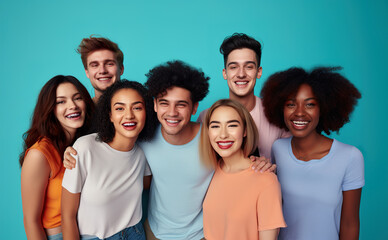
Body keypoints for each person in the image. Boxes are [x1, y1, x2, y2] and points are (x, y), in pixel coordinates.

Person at [63, 60, 270, 240]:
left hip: (201, 234)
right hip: (153, 234)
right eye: (164, 103)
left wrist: (258, 162)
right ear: (154, 105)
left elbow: (235, 160)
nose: (172, 113)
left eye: (181, 104)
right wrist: (69, 150)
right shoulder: (144, 138)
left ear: (195, 108)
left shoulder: (210, 137)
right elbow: (111, 148)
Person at [261, 66, 364, 240]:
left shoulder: (350, 157)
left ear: (323, 108)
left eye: (310, 104)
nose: (299, 112)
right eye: (291, 104)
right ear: (281, 108)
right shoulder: (277, 149)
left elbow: (350, 223)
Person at [61, 80, 157, 240]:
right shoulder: (85, 147)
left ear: (147, 112)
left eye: (137, 107)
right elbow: (67, 215)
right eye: (120, 108)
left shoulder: (142, 153)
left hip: (135, 233)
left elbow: (151, 183)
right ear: (110, 115)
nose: (129, 115)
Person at [20, 75, 94, 240]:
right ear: (50, 109)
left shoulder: (84, 143)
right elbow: (31, 221)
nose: (72, 106)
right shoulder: (39, 154)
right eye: (61, 102)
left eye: (77, 98)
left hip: (89, 231)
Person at [200, 99, 286, 240]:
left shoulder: (266, 180)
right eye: (215, 126)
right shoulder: (212, 171)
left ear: (245, 130)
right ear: (208, 131)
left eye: (232, 125)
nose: (223, 135)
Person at [198, 33, 290, 160]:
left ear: (259, 72)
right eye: (234, 67)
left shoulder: (277, 115)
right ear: (225, 73)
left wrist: (269, 168)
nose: (241, 74)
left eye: (249, 67)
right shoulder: (206, 118)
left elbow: (291, 162)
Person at [77, 35, 124, 103]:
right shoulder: (83, 112)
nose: (102, 71)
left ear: (121, 69)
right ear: (87, 72)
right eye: (95, 65)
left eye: (109, 64)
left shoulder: (141, 106)